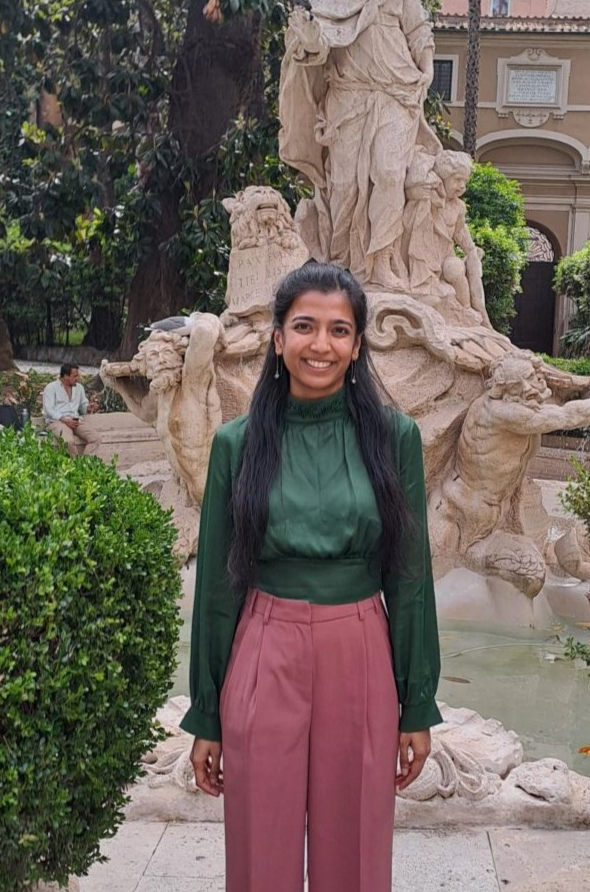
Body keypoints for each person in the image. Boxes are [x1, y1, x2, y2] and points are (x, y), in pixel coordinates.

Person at [181, 261, 442, 892]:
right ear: (278, 339)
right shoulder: (236, 445)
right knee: (258, 843)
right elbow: (217, 587)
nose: (320, 345)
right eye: (304, 327)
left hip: (360, 648)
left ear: (357, 346)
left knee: (352, 847)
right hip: (263, 646)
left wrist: (418, 705)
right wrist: (207, 714)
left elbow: (409, 577)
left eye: (338, 330)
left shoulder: (394, 438)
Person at [279, 0, 441, 289]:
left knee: (389, 173)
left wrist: (427, 65)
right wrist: (305, 39)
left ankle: (382, 261)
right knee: (345, 186)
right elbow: (320, 43)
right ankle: (339, 267)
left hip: (395, 89)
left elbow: (416, 26)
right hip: (348, 93)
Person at [42, 364, 99, 454]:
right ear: (65, 376)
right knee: (68, 441)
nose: (78, 378)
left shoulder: (79, 388)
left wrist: (88, 407)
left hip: (75, 420)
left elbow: (82, 406)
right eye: (75, 376)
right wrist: (64, 419)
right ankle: (75, 465)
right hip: (57, 421)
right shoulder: (51, 388)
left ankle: (84, 464)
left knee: (96, 438)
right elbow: (48, 409)